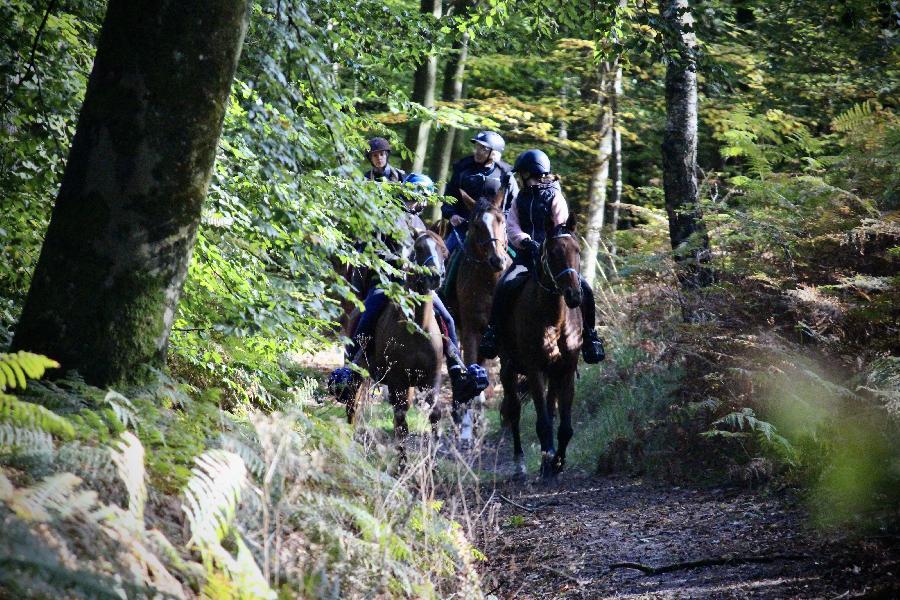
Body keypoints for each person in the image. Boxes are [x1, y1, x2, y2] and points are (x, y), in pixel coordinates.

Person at [329, 173, 487, 404]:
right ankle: (353, 368)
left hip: (417, 284)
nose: (423, 201)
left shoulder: (418, 222)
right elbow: (373, 250)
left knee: (448, 319)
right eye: (422, 196)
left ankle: (457, 370)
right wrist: (398, 262)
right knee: (367, 314)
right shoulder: (386, 217)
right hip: (386, 282)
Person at [478, 149, 606, 364]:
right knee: (505, 285)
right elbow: (511, 226)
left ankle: (591, 336)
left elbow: (561, 227)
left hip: (555, 257)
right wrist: (525, 240)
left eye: (522, 174)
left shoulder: (555, 196)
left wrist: (548, 245)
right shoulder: (520, 198)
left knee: (585, 288)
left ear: (530, 174)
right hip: (528, 256)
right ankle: (493, 332)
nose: (520, 178)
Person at [439, 131, 518, 299]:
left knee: (519, 258)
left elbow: (514, 205)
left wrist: (502, 220)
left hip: (496, 229)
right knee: (446, 253)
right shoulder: (462, 169)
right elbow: (448, 200)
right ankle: (442, 294)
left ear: (494, 153)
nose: (477, 151)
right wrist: (451, 214)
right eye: (477, 147)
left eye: (483, 149)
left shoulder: (506, 175)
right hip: (465, 227)